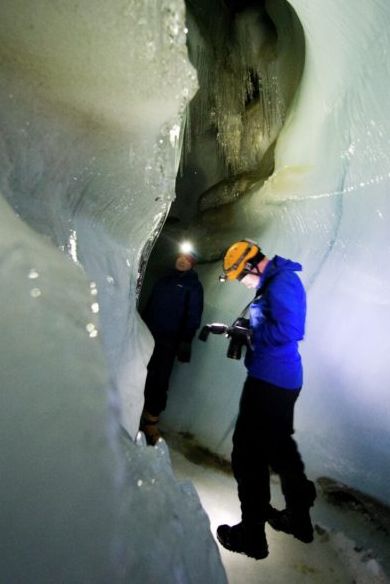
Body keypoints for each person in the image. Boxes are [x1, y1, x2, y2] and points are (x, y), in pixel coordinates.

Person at [214, 239, 317, 560]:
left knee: (248, 457)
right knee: (279, 449)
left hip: (270, 382)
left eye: (240, 276)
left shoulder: (282, 281)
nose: (242, 283)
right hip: (276, 379)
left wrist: (251, 335)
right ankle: (299, 520)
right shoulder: (274, 282)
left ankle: (252, 536)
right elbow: (272, 323)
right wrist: (243, 329)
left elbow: (289, 329)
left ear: (251, 265)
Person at [138, 249, 204, 445]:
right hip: (146, 336)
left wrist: (186, 340)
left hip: (168, 342)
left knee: (158, 382)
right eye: (180, 257)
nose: (182, 261)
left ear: (192, 263)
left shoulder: (193, 286)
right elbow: (150, 306)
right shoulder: (163, 280)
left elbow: (193, 315)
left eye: (187, 259)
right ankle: (130, 413)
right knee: (138, 374)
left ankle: (150, 423)